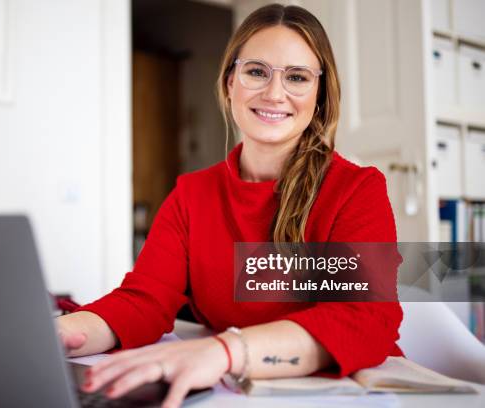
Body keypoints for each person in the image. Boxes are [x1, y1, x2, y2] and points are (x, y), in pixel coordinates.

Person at [57, 4, 403, 408]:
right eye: (257, 71)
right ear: (229, 83)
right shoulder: (191, 195)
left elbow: (363, 321)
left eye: (297, 77)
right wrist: (57, 334)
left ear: (319, 97)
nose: (275, 93)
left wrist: (224, 350)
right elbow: (143, 302)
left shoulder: (356, 190)